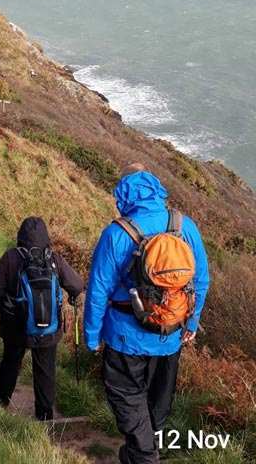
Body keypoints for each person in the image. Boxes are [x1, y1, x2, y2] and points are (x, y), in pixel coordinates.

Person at [83, 164, 210, 464]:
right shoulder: (184, 226)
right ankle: (143, 449)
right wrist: (192, 320)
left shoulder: (117, 233)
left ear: (123, 194)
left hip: (125, 337)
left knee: (127, 396)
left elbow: (98, 291)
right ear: (157, 189)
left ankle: (143, 456)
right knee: (158, 398)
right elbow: (200, 279)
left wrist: (92, 337)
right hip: (170, 334)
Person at [0, 216, 84, 421]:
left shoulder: (11, 258)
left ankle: (0, 405)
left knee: (10, 365)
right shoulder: (54, 259)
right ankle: (44, 415)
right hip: (49, 330)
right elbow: (77, 285)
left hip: (15, 328)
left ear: (20, 236)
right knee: (45, 372)